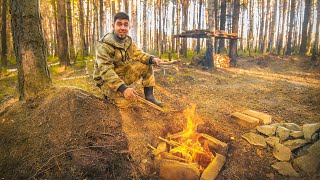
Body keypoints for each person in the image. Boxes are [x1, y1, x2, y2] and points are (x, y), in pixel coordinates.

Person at [93, 12, 163, 107]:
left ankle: (150, 97)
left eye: (125, 24)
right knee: (127, 103)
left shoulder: (128, 41)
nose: (122, 28)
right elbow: (105, 70)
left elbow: (138, 54)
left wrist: (152, 59)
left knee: (146, 64)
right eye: (119, 24)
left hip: (122, 74)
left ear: (129, 27)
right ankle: (108, 95)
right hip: (106, 80)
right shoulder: (104, 45)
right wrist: (123, 88)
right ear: (113, 25)